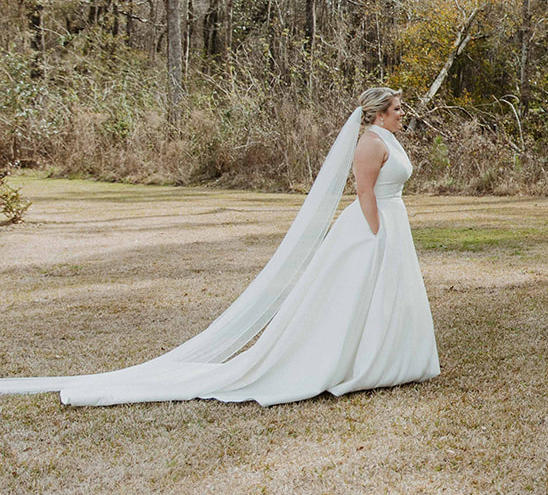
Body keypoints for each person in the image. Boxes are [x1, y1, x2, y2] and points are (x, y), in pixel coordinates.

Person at [0, 88, 440, 407]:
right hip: (371, 228)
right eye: (399, 109)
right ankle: (353, 362)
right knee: (355, 297)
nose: (405, 114)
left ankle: (392, 358)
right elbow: (364, 193)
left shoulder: (391, 139)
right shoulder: (369, 142)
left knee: (389, 297)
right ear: (380, 113)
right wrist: (377, 234)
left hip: (392, 223)